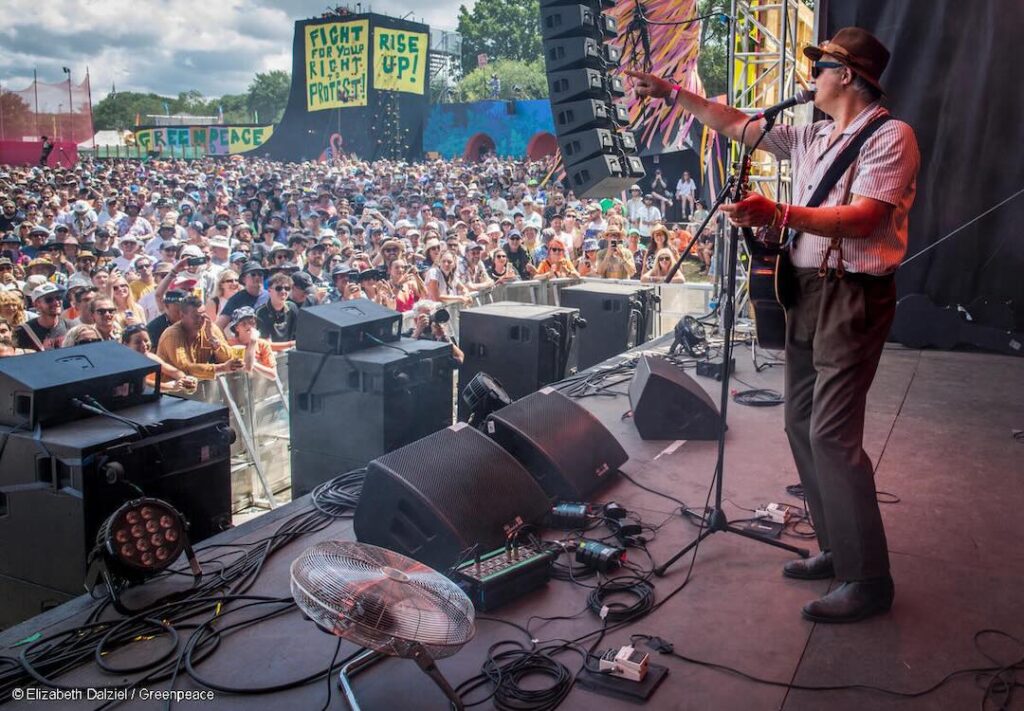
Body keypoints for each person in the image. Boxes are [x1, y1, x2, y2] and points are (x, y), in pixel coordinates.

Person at [628, 26, 920, 623]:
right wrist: (672, 93)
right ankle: (837, 548)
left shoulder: (892, 136)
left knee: (831, 435)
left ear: (847, 76)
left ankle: (869, 579)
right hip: (806, 289)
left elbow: (864, 219)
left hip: (853, 295)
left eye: (821, 68)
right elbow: (735, 123)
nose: (811, 78)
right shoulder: (812, 134)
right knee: (799, 423)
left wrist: (780, 212)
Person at [156, 295, 244, 381]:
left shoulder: (210, 328)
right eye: (195, 317)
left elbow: (229, 358)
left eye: (203, 316)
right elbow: (184, 368)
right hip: (168, 387)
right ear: (182, 315)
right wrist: (222, 368)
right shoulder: (172, 334)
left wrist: (213, 340)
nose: (200, 320)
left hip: (197, 386)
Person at [122, 323, 198, 394]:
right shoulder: (125, 364)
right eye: (138, 342)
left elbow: (173, 371)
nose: (144, 345)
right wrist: (171, 387)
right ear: (125, 345)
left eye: (146, 340)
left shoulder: (150, 357)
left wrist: (185, 379)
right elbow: (144, 383)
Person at [225, 307, 278, 381]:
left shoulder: (262, 345)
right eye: (244, 323)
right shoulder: (229, 345)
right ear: (237, 328)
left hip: (258, 385)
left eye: (252, 322)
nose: (248, 326)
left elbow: (273, 375)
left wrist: (253, 363)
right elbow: (247, 368)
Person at [15, 283, 71, 351]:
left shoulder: (70, 326)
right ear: (36, 305)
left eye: (58, 298)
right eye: (49, 300)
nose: (56, 302)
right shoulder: (23, 332)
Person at [254, 273, 298, 346]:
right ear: (269, 290)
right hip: (271, 352)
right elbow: (266, 345)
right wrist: (291, 344)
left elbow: (298, 333)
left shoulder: (292, 307)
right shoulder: (261, 312)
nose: (283, 291)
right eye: (279, 288)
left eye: (287, 288)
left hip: (291, 350)